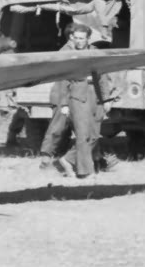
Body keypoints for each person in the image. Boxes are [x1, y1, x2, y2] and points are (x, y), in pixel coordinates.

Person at [46, 24, 111, 178]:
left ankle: (68, 160)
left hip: (95, 96)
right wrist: (64, 104)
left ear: (88, 39)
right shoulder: (69, 54)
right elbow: (62, 81)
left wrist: (107, 99)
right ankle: (85, 172)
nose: (78, 41)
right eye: (76, 38)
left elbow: (102, 77)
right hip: (76, 95)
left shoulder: (95, 52)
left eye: (82, 38)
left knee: (94, 135)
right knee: (83, 135)